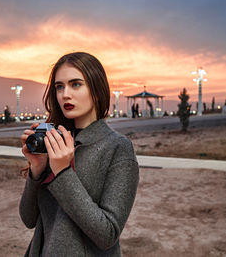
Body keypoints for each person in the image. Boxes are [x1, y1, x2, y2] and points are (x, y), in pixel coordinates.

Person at [19, 52, 139, 256]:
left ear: (97, 91)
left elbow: (107, 234)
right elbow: (29, 219)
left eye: (76, 84)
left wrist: (63, 172)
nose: (65, 94)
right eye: (59, 86)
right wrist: (37, 169)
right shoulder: (55, 142)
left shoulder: (118, 148)